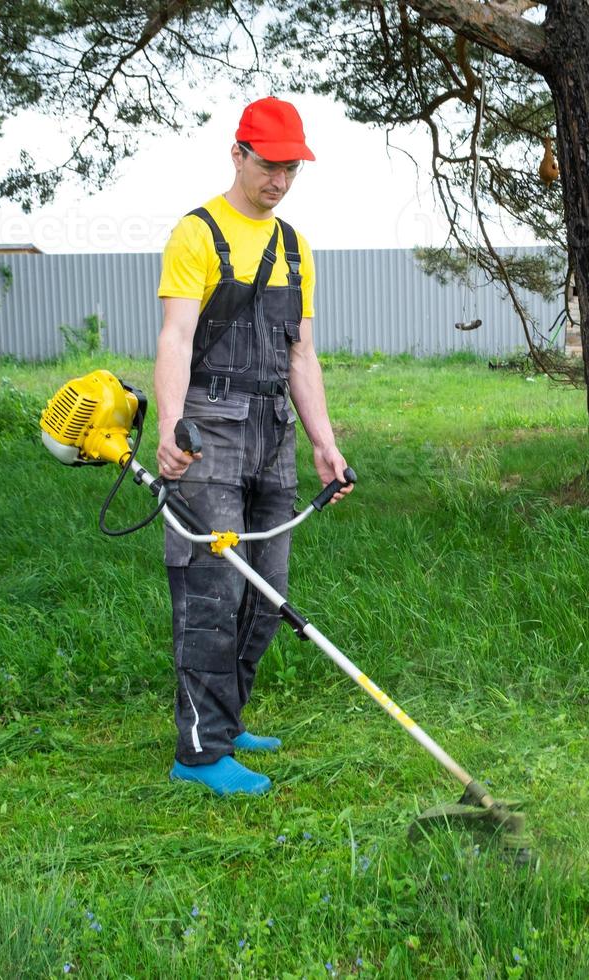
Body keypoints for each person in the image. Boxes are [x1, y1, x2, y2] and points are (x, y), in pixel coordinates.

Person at [153, 97, 350, 796]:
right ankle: (199, 754)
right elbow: (176, 338)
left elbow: (303, 356)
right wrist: (172, 426)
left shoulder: (295, 246)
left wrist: (326, 444)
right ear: (238, 154)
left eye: (291, 168)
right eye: (270, 166)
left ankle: (225, 720)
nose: (281, 181)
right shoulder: (197, 234)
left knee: (267, 590)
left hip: (274, 430)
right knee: (214, 584)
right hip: (211, 425)